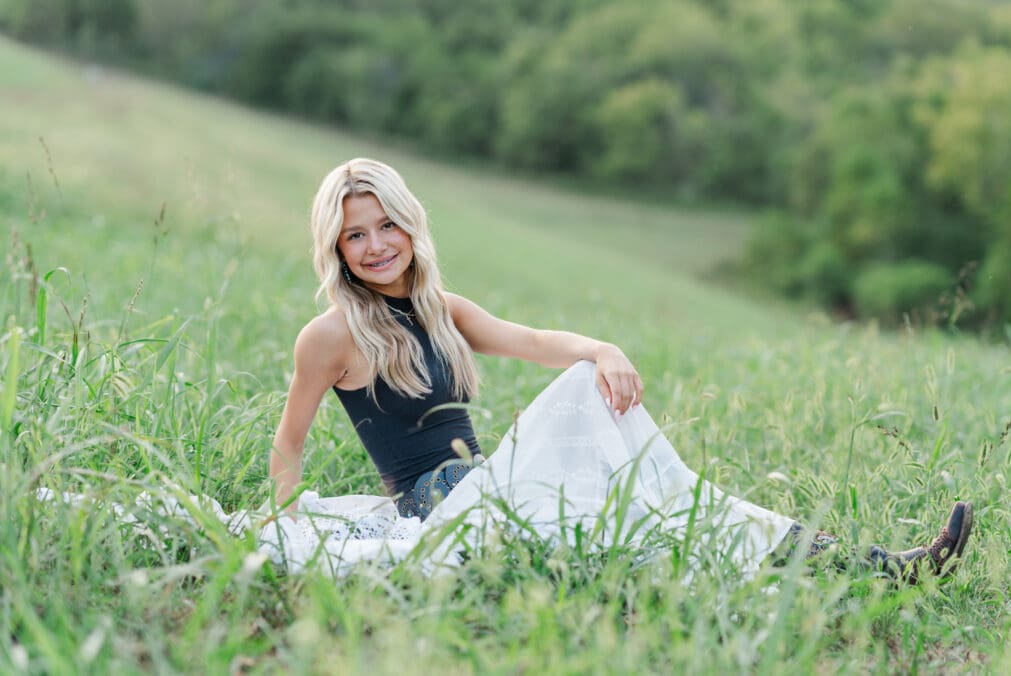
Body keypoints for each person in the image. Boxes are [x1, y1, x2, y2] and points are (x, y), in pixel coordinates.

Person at [268, 157, 973, 581]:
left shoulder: (443, 309)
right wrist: (287, 513)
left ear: (410, 225)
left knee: (671, 504)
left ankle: (870, 565)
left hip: (483, 486)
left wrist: (605, 349)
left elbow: (536, 338)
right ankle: (868, 568)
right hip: (441, 498)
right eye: (354, 234)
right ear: (335, 247)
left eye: (385, 225)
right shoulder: (329, 335)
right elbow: (290, 441)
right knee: (626, 466)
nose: (375, 245)